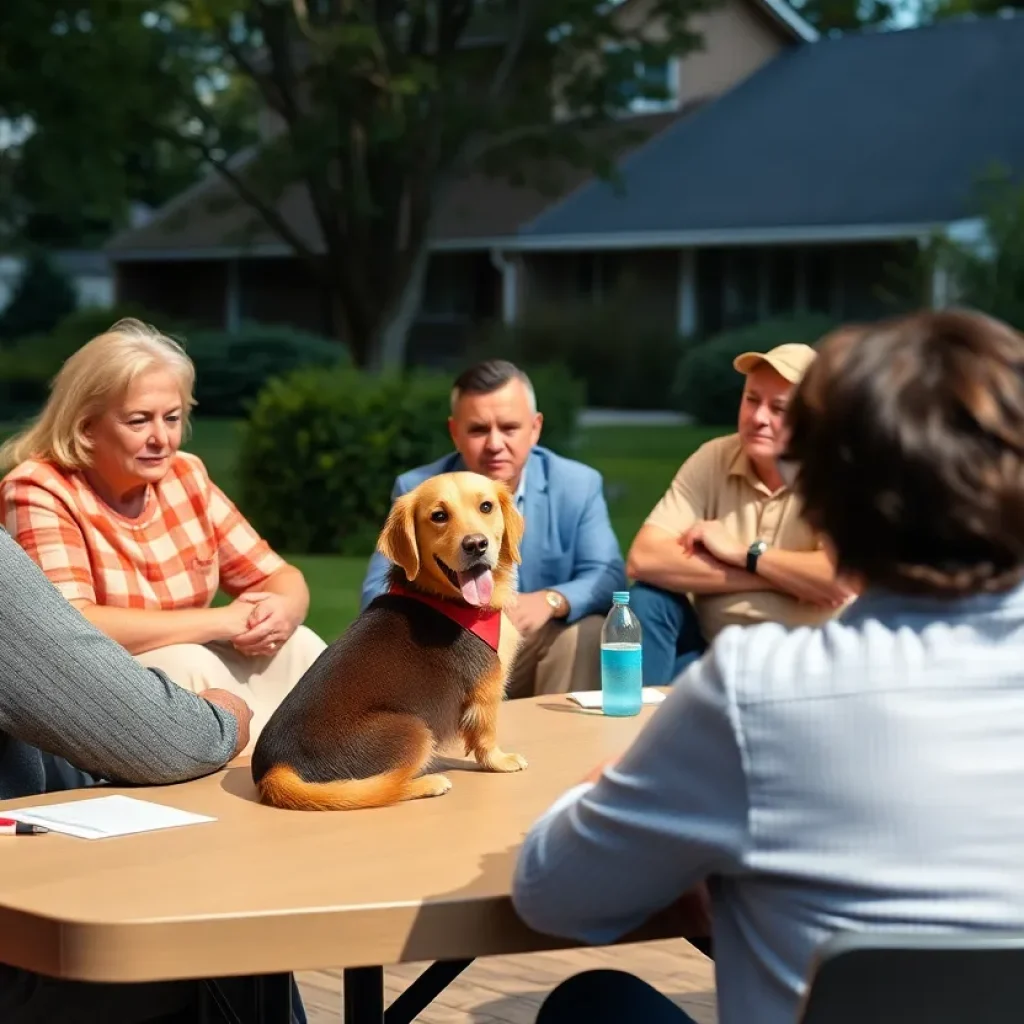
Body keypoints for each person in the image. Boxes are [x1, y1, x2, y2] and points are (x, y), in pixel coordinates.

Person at [512, 309, 1024, 1024]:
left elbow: (552, 893)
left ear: (832, 502)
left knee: (590, 1005)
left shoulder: (757, 693)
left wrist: (610, 786)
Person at [0, 318, 326, 752]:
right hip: (109, 689)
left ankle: (347, 758)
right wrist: (222, 621)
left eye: (172, 418)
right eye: (139, 421)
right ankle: (262, 782)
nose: (161, 438)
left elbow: (280, 576)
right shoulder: (39, 489)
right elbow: (70, 629)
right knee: (186, 662)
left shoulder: (185, 474)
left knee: (297, 644)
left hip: (194, 657)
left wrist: (282, 610)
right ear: (86, 427)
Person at [361, 359, 626, 697]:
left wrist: (551, 600)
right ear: (455, 433)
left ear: (535, 428)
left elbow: (607, 574)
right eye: (478, 430)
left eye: (509, 427)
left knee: (586, 632)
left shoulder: (577, 484)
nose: (494, 443)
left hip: (534, 643)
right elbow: (377, 592)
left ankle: (561, 746)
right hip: (451, 647)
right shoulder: (419, 491)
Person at [626, 342, 853, 686]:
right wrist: (780, 576)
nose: (758, 418)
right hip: (712, 655)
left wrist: (741, 552)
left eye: (778, 408)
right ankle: (635, 729)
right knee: (648, 601)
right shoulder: (715, 456)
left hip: (807, 668)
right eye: (751, 400)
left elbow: (838, 579)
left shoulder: (839, 471)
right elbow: (644, 558)